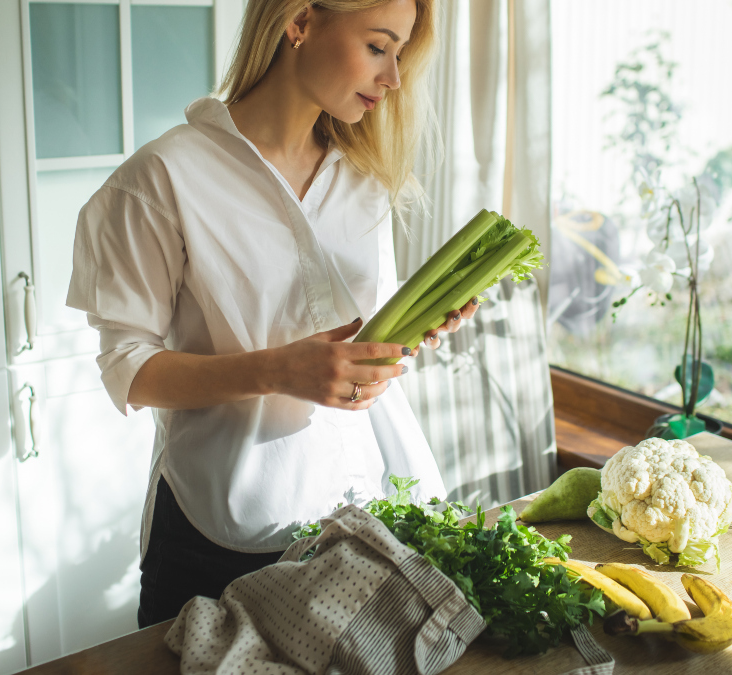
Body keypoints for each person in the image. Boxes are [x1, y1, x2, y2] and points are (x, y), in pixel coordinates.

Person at [66, 0, 478, 628]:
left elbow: (356, 351)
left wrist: (411, 330)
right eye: (378, 47)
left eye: (399, 54)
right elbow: (129, 370)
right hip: (222, 536)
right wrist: (280, 371)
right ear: (300, 22)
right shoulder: (161, 178)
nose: (393, 78)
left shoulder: (364, 176)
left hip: (360, 517)